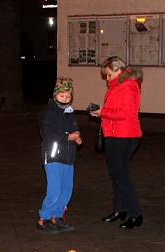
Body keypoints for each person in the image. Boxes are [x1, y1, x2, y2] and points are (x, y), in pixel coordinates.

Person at [90, 56, 144, 229]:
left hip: (123, 135)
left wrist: (103, 112)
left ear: (117, 70)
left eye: (108, 75)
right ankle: (120, 209)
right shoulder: (118, 85)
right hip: (116, 134)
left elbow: (126, 113)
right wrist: (102, 112)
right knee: (118, 174)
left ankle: (135, 213)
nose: (107, 79)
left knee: (120, 176)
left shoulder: (128, 86)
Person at [37, 77, 82, 234]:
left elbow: (73, 128)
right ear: (55, 95)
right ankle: (45, 218)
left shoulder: (69, 112)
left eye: (68, 96)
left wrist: (77, 137)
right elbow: (48, 134)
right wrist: (68, 137)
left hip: (68, 157)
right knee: (55, 189)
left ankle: (57, 215)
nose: (65, 99)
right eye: (62, 96)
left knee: (66, 189)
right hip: (54, 155)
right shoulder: (49, 113)